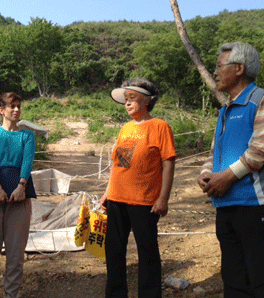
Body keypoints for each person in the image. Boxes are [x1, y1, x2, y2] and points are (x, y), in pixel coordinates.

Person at [197, 42, 264, 297]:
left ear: (239, 68)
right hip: (226, 206)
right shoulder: (224, 111)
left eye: (220, 66)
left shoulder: (263, 100)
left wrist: (227, 176)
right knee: (233, 280)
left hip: (256, 207)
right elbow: (214, 153)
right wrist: (206, 174)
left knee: (263, 279)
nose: (216, 72)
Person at [100, 77, 176, 298]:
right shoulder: (125, 129)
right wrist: (107, 192)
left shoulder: (159, 126)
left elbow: (168, 162)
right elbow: (118, 164)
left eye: (132, 98)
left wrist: (164, 198)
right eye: (126, 99)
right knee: (113, 251)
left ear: (147, 101)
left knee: (147, 252)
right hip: (117, 199)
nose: (127, 103)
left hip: (144, 201)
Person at [0, 92, 36, 298]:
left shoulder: (27, 135)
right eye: (12, 106)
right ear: (1, 110)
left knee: (15, 254)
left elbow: (27, 162)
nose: (16, 110)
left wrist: (21, 186)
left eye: (19, 106)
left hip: (19, 196)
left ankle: (12, 294)